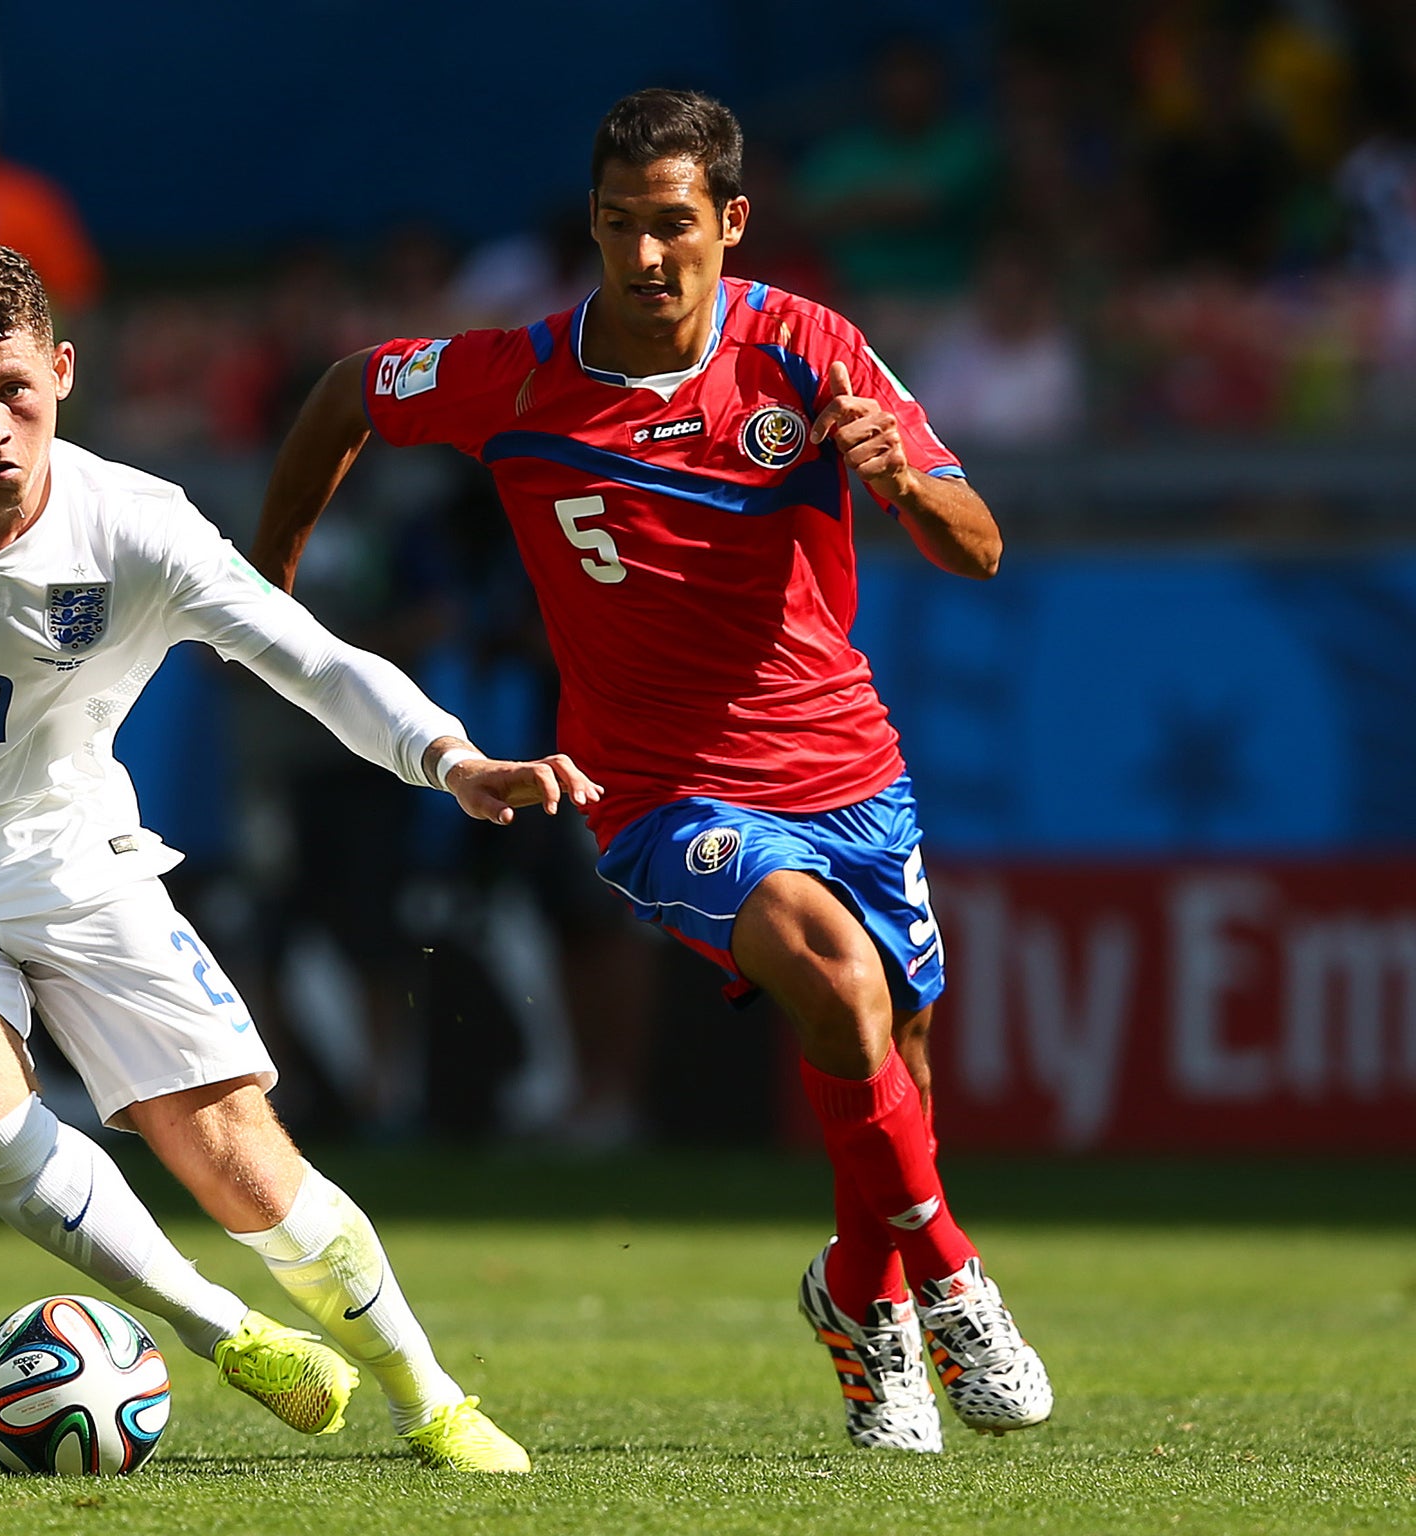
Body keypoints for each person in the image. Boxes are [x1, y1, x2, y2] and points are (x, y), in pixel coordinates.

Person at [0, 242, 600, 1472]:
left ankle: (430, 1399)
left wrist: (449, 754)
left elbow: (301, 653)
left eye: (13, 391)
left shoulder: (134, 524)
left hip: (81, 866)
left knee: (241, 1164)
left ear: (61, 370)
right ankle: (222, 1328)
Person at [251, 89, 1053, 1454]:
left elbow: (978, 546)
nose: (645, 256)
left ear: (730, 224)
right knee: (838, 981)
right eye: (619, 225)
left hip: (848, 763)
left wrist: (904, 486)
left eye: (673, 224)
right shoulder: (518, 372)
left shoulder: (808, 350)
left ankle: (858, 1293)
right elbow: (345, 392)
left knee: (895, 1066)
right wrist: (263, 594)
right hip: (658, 785)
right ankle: (956, 1277)